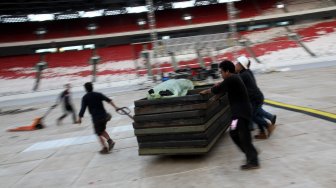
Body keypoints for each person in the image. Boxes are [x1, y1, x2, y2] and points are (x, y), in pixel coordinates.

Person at [200, 60, 259, 170]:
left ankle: (253, 161)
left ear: (227, 71)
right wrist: (215, 97)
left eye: (221, 72)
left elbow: (218, 88)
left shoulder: (232, 78)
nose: (221, 74)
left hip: (242, 113)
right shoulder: (233, 79)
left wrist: (207, 91)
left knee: (244, 136)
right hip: (237, 114)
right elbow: (223, 90)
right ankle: (250, 153)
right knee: (233, 132)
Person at [235, 56, 277, 139]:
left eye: (237, 64)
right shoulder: (246, 72)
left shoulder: (243, 75)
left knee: (252, 116)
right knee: (256, 114)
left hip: (255, 98)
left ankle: (268, 125)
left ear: (241, 66)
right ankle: (263, 132)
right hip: (255, 97)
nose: (235, 65)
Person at [78, 82, 119, 154]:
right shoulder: (98, 94)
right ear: (92, 87)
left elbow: (83, 109)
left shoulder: (85, 98)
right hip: (104, 116)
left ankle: (104, 148)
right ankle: (110, 141)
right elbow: (109, 100)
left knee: (98, 133)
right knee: (102, 130)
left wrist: (79, 118)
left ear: (85, 89)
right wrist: (115, 107)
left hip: (96, 118)